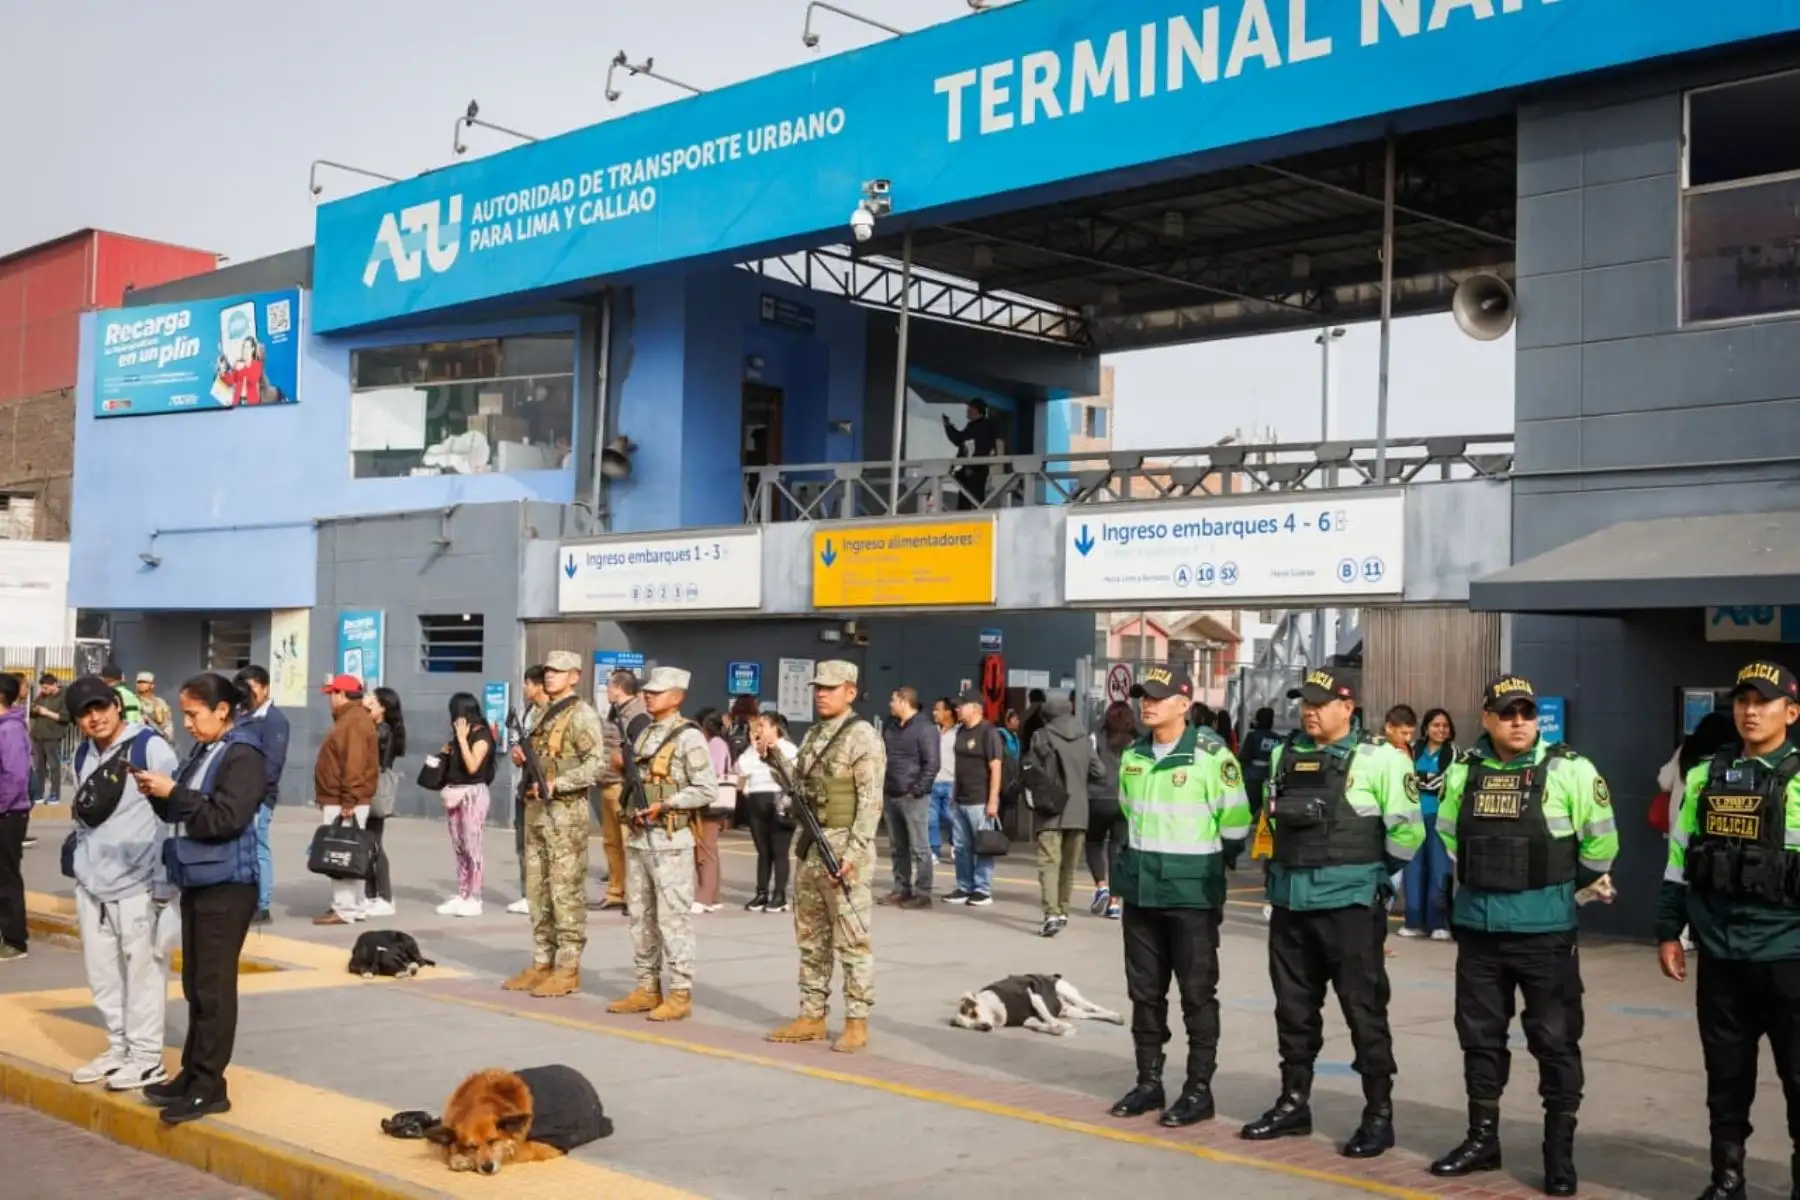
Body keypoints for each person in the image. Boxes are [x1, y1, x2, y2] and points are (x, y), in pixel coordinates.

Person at [1430, 676, 1618, 1196]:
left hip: (1544, 934)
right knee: (1479, 1038)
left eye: (1527, 713)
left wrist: (1557, 893)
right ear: (1486, 718)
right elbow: (1449, 835)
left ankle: (1558, 1156)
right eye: (1507, 713)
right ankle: (1481, 1141)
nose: (1518, 722)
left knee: (1555, 1042)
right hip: (1479, 930)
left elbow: (1601, 845)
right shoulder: (1463, 770)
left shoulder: (1571, 769)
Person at [1240, 671, 1422, 1159]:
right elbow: (1271, 821)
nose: (1310, 711)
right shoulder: (1284, 753)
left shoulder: (1382, 759)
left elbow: (1407, 834)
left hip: (1349, 908)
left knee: (1364, 1011)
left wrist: (1371, 877)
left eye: (1320, 703)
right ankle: (1293, 1104)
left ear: (1348, 707)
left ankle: (1378, 1115)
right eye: (1305, 703)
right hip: (1291, 906)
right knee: (1293, 1011)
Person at [1657, 660, 1800, 1200]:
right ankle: (1727, 1180)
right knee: (1726, 1077)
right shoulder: (1704, 776)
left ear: (1791, 712)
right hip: (1721, 956)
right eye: (1743, 701)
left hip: (1789, 956)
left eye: (1763, 702)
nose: (1750, 711)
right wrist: (1669, 930)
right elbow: (1678, 860)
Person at [1108, 666, 1251, 1128]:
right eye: (1143, 696)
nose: (1147, 704)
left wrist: (1202, 867)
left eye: (1158, 697)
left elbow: (1236, 826)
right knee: (1144, 993)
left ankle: (1198, 1089)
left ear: (1184, 704)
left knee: (1196, 994)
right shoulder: (1134, 755)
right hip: (1141, 892)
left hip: (1191, 895)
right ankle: (1148, 1083)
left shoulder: (1212, 757)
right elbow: (1128, 812)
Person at [132, 673, 265, 1125]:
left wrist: (176, 793)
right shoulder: (207, 750)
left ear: (222, 710)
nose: (187, 723)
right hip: (198, 878)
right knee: (196, 985)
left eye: (193, 714)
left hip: (228, 884)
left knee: (213, 987)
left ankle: (209, 1086)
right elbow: (185, 808)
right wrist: (158, 794)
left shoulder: (243, 754)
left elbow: (225, 819)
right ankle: (192, 1074)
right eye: (185, 714)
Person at [65, 675, 179, 1091]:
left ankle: (147, 1058)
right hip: (92, 884)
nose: (95, 718)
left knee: (145, 974)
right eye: (85, 713)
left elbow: (173, 815)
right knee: (102, 974)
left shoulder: (150, 747)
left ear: (117, 705)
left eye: (101, 707)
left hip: (140, 884)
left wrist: (163, 883)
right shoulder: (82, 754)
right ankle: (118, 1047)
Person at [767, 661, 886, 1054]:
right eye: (818, 687)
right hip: (810, 846)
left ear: (850, 692)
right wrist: (771, 756)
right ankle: (812, 1014)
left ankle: (856, 1021)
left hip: (842, 851)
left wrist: (853, 853)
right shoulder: (815, 733)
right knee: (810, 937)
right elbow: (798, 785)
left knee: (852, 940)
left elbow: (870, 803)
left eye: (830, 688)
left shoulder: (862, 736)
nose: (821, 694)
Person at [606, 666, 714, 1020]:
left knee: (672, 919)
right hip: (640, 838)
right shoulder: (645, 733)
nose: (649, 695)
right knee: (640, 917)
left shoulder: (689, 737)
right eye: (648, 691)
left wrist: (667, 804)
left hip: (670, 841)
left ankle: (680, 993)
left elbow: (706, 788)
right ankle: (646, 987)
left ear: (677, 697)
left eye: (657, 691)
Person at [506, 651, 604, 998]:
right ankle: (541, 961)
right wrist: (521, 757)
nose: (550, 676)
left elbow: (596, 765)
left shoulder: (582, 715)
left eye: (559, 671)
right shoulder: (538, 713)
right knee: (537, 890)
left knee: (565, 892)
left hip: (565, 814)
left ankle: (567, 968)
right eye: (547, 670)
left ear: (575, 676)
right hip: (536, 810)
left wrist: (558, 783)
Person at [1656, 710, 1738, 953]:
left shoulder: (1686, 750)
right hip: (1709, 826)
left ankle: (1683, 935)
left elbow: (1663, 781)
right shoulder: (1729, 760)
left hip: (1679, 822)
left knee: (1681, 872)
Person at [1028, 695, 1105, 936]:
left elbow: (1031, 770)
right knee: (1069, 866)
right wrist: (1081, 788)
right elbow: (1100, 771)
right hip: (1078, 810)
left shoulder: (1041, 736)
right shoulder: (1084, 738)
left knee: (1049, 864)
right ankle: (1063, 911)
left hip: (1050, 809)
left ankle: (1050, 914)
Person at [311, 674, 380, 926]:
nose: (330, 698)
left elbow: (354, 763)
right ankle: (356, 906)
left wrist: (348, 800)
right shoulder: (354, 719)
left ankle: (344, 909)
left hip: (344, 800)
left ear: (341, 694)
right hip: (348, 798)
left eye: (332, 693)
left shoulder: (353, 721)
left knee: (340, 853)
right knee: (353, 852)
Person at [233, 666, 289, 925]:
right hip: (236, 793)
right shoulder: (240, 714)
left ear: (265, 688)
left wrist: (254, 793)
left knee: (258, 848)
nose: (247, 693)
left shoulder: (274, 720)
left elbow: (272, 765)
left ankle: (262, 904)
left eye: (252, 687)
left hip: (258, 797)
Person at [879, 686, 939, 910]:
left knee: (920, 847)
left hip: (913, 796)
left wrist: (916, 791)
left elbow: (932, 764)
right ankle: (901, 888)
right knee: (898, 847)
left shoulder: (925, 728)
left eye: (893, 700)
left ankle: (923, 893)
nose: (890, 704)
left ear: (904, 701)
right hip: (891, 793)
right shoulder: (891, 726)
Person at [1401, 709, 1459, 941]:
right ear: (1426, 727)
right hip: (1413, 817)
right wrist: (1428, 781)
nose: (1440, 730)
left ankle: (1439, 922)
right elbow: (1404, 780)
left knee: (1439, 869)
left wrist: (1421, 781)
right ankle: (1413, 921)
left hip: (1440, 819)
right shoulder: (1411, 749)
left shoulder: (1454, 754)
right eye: (1436, 725)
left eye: (1445, 726)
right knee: (1413, 869)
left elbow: (1450, 784)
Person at [437, 693, 496, 917]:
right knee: (459, 846)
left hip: (473, 794)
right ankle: (462, 893)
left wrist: (462, 740)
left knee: (473, 847)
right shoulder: (457, 737)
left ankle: (475, 897)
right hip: (454, 793)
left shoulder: (481, 735)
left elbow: (473, 766)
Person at [595, 668, 650, 912]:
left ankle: (633, 895)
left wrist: (625, 762)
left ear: (618, 688)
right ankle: (615, 891)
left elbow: (644, 751)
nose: (607, 690)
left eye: (609, 686)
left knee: (629, 843)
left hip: (623, 786)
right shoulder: (615, 711)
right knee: (611, 842)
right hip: (607, 783)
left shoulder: (638, 716)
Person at [947, 693, 1005, 907]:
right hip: (961, 799)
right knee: (961, 847)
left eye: (962, 705)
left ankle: (982, 889)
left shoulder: (988, 732)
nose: (957, 709)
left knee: (982, 845)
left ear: (975, 708)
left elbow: (996, 767)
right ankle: (964, 886)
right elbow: (959, 766)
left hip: (980, 800)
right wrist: (954, 794)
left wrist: (993, 800)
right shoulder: (961, 731)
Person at [740, 711, 798, 913]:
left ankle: (779, 895)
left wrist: (771, 751)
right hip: (757, 799)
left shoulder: (788, 748)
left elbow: (791, 774)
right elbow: (742, 769)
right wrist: (753, 748)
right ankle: (761, 892)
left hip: (779, 799)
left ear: (775, 728)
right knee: (763, 851)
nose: (758, 731)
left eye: (762, 726)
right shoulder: (753, 749)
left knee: (779, 850)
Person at [1088, 700, 1137, 920]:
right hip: (1124, 800)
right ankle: (1115, 903)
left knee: (1093, 842)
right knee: (1117, 848)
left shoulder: (1096, 737)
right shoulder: (1134, 742)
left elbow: (1087, 764)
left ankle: (1101, 886)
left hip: (1097, 798)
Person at [361, 687, 405, 918]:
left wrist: (361, 710)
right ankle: (371, 894)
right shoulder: (377, 728)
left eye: (373, 702)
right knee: (368, 843)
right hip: (369, 787)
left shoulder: (382, 731)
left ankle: (385, 897)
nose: (367, 704)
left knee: (374, 844)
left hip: (374, 790)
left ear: (383, 708)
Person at [509, 665, 548, 915]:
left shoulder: (552, 714)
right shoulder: (527, 713)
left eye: (527, 684)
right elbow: (516, 744)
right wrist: (517, 753)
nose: (524, 688)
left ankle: (542, 896)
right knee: (523, 843)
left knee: (544, 846)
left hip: (545, 787)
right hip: (525, 785)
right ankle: (528, 894)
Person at [0, 674, 31, 962]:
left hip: (8, 814)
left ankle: (15, 940)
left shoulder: (9, 730)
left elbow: (15, 777)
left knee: (6, 876)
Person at [692, 709, 733, 914]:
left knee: (705, 850)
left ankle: (704, 897)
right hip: (711, 802)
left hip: (710, 803)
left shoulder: (715, 744)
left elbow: (712, 771)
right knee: (710, 849)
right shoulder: (718, 743)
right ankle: (714, 896)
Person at [942, 400, 998, 510]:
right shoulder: (972, 426)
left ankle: (978, 518)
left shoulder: (984, 426)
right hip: (968, 470)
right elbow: (959, 440)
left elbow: (982, 448)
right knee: (966, 501)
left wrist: (973, 467)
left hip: (976, 470)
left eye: (970, 408)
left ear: (977, 410)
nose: (967, 411)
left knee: (975, 500)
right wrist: (948, 426)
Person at [29, 674, 68, 807]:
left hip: (52, 737)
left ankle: (55, 794)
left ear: (54, 685)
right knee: (39, 767)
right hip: (38, 736)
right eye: (42, 688)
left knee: (54, 766)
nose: (43, 690)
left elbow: (65, 717)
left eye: (46, 688)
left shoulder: (63, 697)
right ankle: (39, 794)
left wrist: (47, 713)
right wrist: (35, 709)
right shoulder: (42, 696)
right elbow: (32, 708)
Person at [1240, 707, 1283, 819]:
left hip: (1253, 777)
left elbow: (1243, 757)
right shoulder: (1277, 738)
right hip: (1271, 777)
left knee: (1252, 808)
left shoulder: (1252, 736)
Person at [929, 697, 957, 866]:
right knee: (931, 819)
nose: (934, 713)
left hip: (951, 782)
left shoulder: (958, 733)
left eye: (937, 709)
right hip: (933, 781)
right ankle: (934, 850)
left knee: (950, 817)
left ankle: (955, 843)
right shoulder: (932, 732)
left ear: (948, 712)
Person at [136, 672, 174, 740]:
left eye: (144, 682)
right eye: (139, 682)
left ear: (152, 685)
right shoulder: (133, 701)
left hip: (158, 738)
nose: (140, 684)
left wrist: (166, 737)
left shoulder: (160, 702)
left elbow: (167, 723)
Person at [1018, 688, 1048, 757]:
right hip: (1044, 749)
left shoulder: (1025, 714)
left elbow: (1019, 729)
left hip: (1027, 749)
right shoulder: (1047, 712)